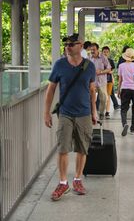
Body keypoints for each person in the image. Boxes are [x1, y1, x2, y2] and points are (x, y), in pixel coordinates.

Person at [44, 33, 97, 201]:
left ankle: (77, 179)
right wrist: (46, 112)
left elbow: (92, 89)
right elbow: (51, 89)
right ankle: (62, 182)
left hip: (84, 113)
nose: (68, 46)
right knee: (63, 148)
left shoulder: (89, 66)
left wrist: (94, 111)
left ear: (80, 46)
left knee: (82, 148)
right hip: (65, 113)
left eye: (71, 44)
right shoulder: (59, 65)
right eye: (66, 44)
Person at [117, 48, 134, 136]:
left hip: (125, 89)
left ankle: (124, 124)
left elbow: (120, 80)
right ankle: (133, 128)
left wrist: (118, 90)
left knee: (123, 109)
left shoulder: (121, 66)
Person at [89, 42, 111, 120]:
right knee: (91, 99)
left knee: (103, 99)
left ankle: (101, 112)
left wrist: (101, 72)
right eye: (91, 50)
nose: (92, 51)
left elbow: (109, 69)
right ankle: (92, 114)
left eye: (94, 50)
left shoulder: (103, 57)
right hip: (92, 82)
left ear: (98, 49)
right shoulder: (89, 58)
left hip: (102, 82)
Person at [102, 46, 120, 118]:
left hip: (109, 80)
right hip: (101, 81)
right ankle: (101, 111)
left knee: (108, 96)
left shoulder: (111, 61)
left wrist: (106, 71)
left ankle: (107, 112)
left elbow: (112, 71)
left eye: (107, 52)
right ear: (102, 52)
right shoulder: (99, 61)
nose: (106, 53)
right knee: (102, 97)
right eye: (104, 52)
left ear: (109, 53)